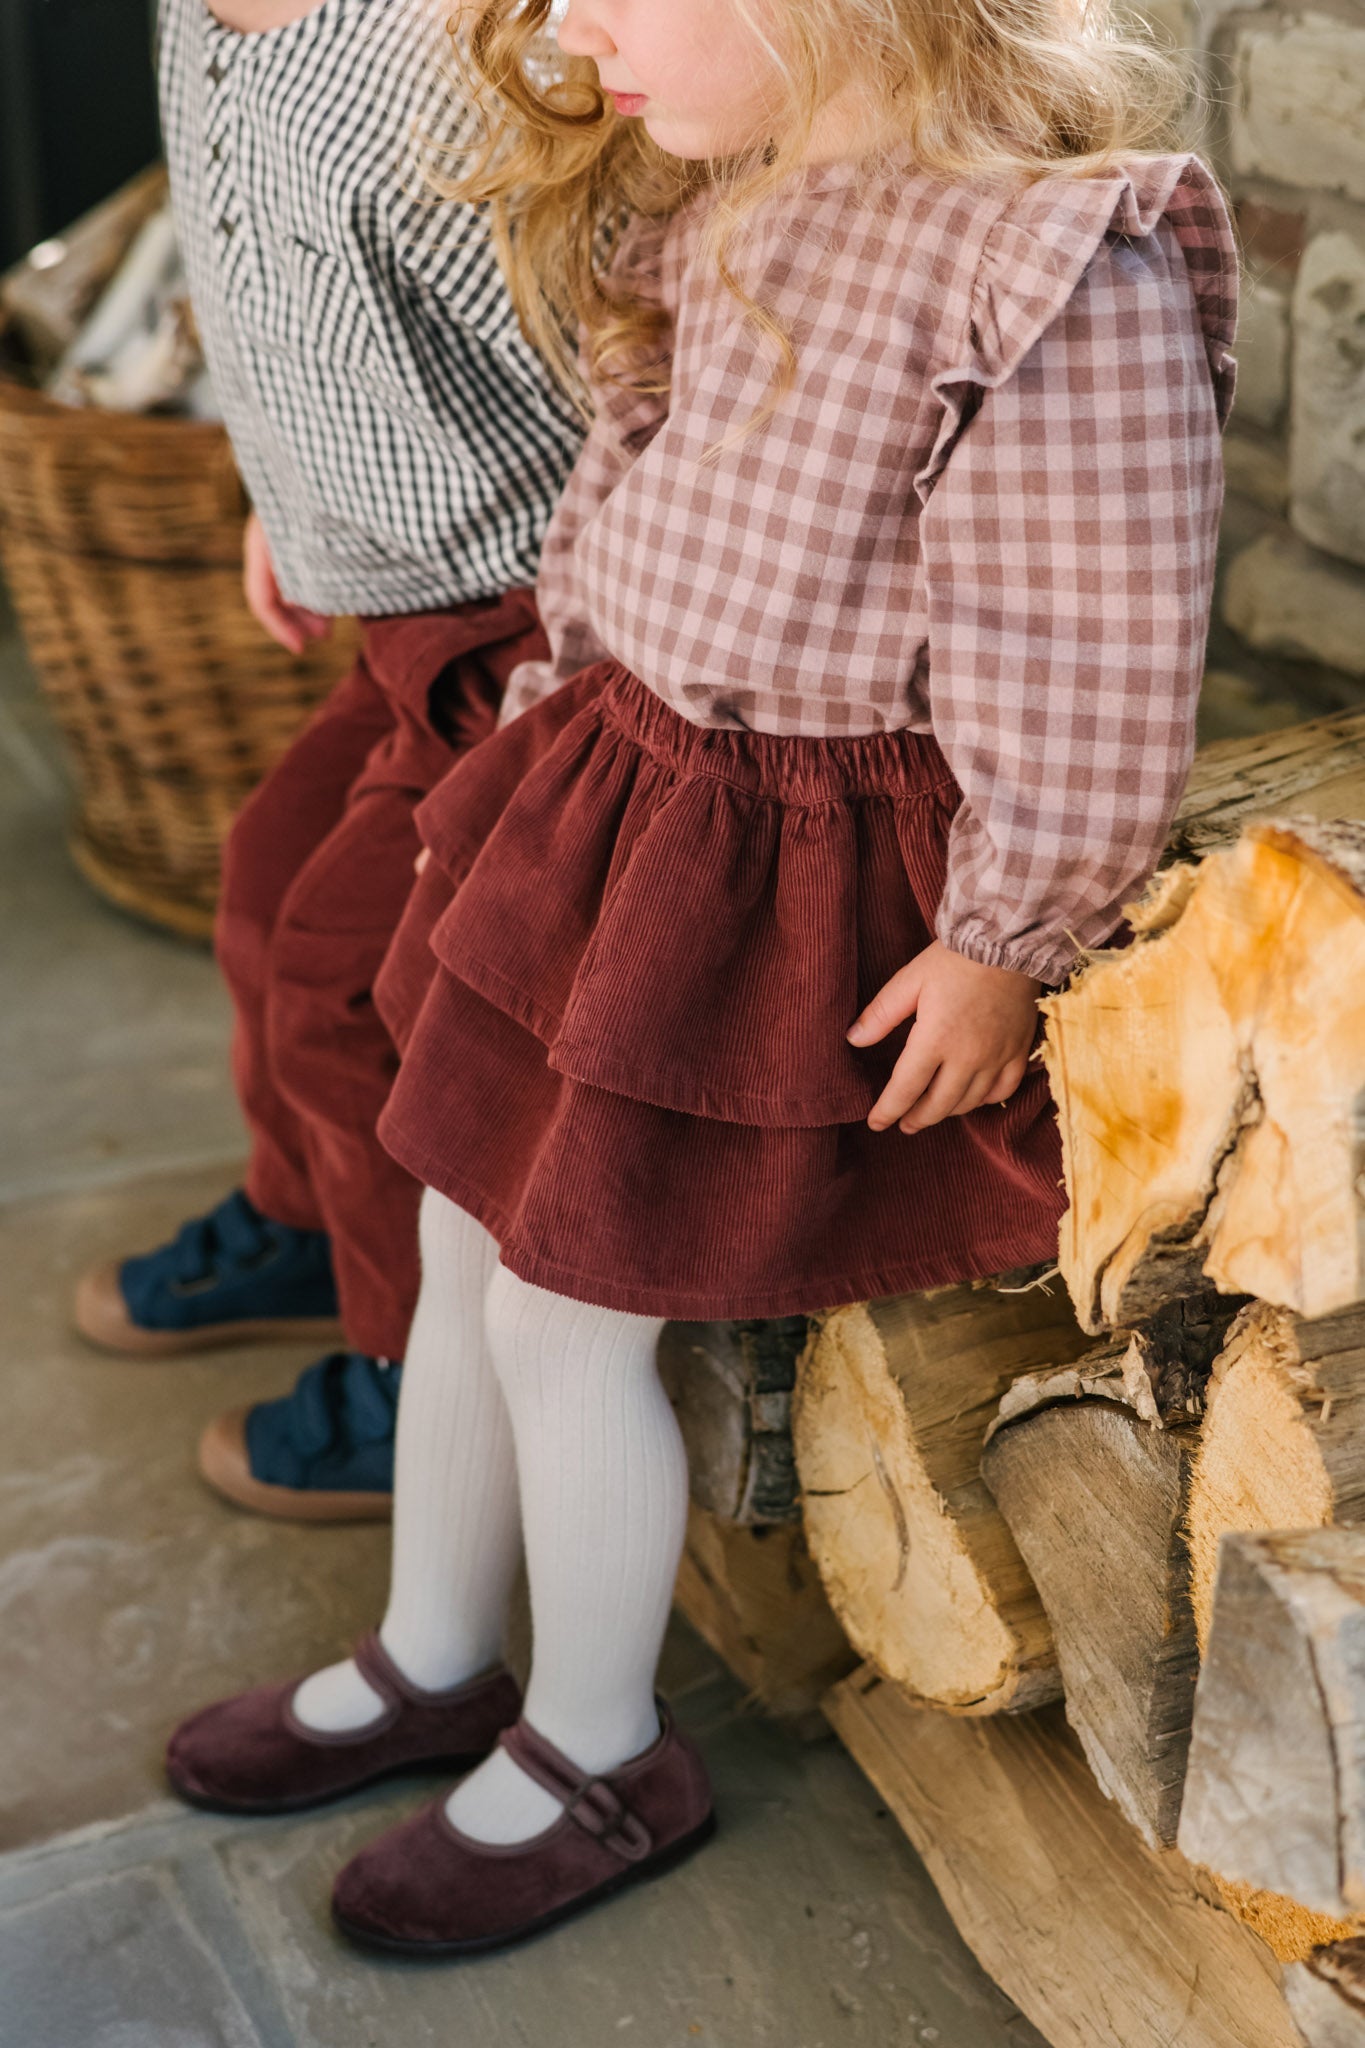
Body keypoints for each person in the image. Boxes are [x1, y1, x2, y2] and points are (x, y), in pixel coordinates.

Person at [166, 0, 1236, 1954]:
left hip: (786, 847)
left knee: (573, 1313)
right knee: (464, 1215)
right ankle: (436, 1648)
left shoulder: (1040, 261)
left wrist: (1006, 933)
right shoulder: (712, 182)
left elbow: (1088, 655)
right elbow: (615, 484)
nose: (561, 27)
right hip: (619, 778)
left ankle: (598, 1745)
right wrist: (540, 733)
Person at [73, 0, 583, 1521]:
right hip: (394, 600)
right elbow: (252, 279)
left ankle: (412, 1375)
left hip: (535, 616)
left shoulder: (435, 67)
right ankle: (307, 1214)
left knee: (345, 979)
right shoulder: (199, 20)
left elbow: (601, 369)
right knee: (258, 880)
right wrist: (281, 494)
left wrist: (577, 657)